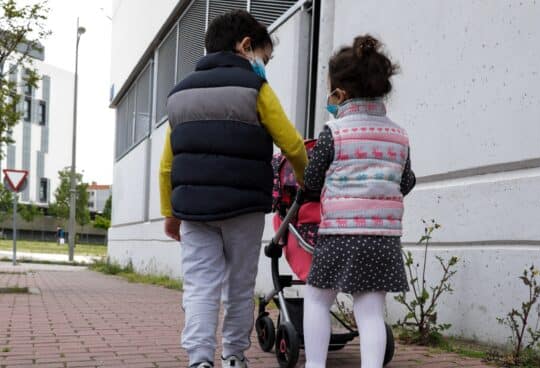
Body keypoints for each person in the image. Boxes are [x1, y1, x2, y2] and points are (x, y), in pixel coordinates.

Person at [158, 10, 307, 368]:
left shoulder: (179, 95)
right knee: (239, 287)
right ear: (245, 47)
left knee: (199, 286)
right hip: (244, 209)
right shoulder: (256, 88)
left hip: (193, 210)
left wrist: (169, 213)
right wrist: (307, 182)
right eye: (264, 58)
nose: (264, 66)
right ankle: (234, 357)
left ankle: (199, 360)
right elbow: (292, 145)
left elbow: (167, 164)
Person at [302, 35, 416, 368]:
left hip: (339, 235)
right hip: (382, 239)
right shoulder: (399, 135)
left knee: (317, 300)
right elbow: (405, 181)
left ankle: (315, 366)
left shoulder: (333, 132)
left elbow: (311, 181)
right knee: (370, 312)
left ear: (340, 93)